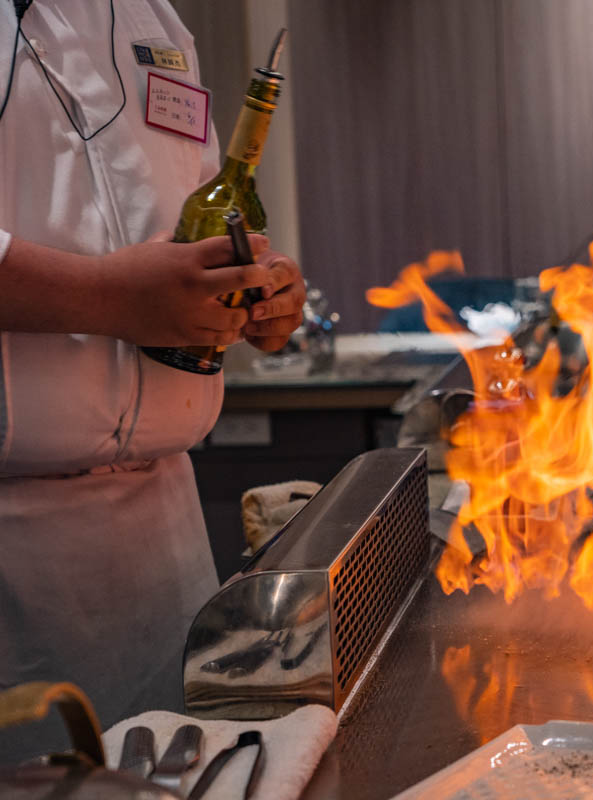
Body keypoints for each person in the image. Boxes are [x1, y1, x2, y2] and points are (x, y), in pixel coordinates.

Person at [0, 0, 305, 758]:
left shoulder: (151, 20)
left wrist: (253, 291)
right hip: (13, 545)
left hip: (164, 536)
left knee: (188, 770)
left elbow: (197, 216)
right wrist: (105, 297)